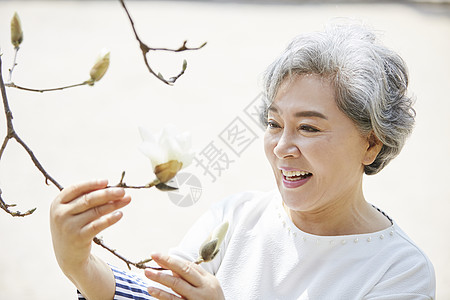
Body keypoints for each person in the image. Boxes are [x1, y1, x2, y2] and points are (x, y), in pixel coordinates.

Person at [50, 22, 436, 300]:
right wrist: (80, 266)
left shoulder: (399, 271)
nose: (283, 146)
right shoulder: (235, 218)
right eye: (273, 123)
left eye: (309, 129)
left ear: (372, 142)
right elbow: (153, 294)